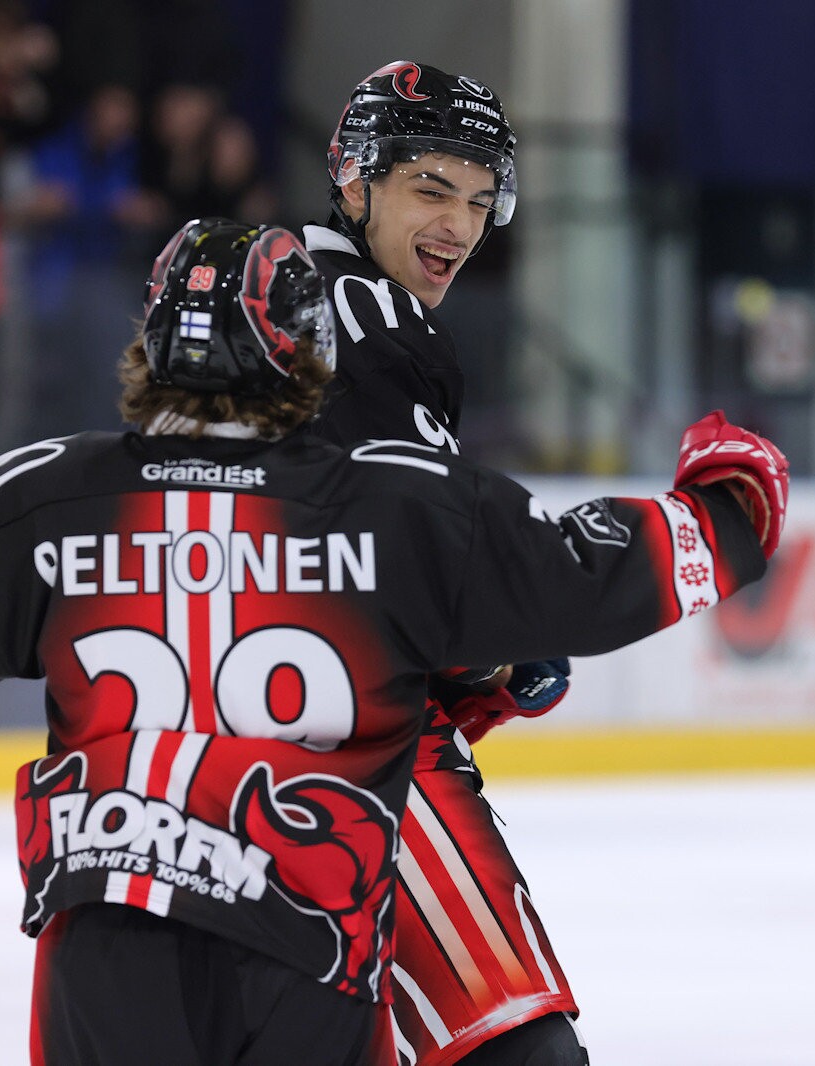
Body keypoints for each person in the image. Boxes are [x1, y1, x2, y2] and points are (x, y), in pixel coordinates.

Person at [0, 217, 790, 1065]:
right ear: (307, 351)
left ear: (151, 342)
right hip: (307, 950)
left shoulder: (43, 496)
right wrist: (729, 502)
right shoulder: (397, 504)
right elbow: (599, 576)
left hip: (109, 943)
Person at [298, 61, 580, 1065]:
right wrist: (498, 648)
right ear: (354, 178)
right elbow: (412, 567)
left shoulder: (272, 290)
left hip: (201, 761)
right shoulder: (372, 322)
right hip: (353, 755)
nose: (458, 225)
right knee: (519, 1053)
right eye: (430, 188)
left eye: (477, 198)